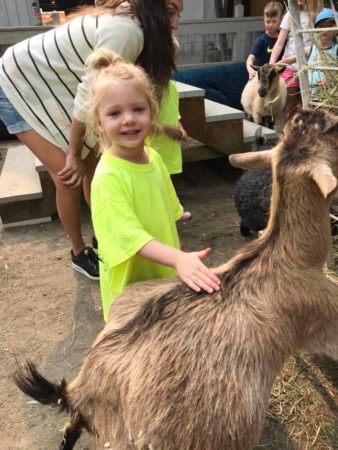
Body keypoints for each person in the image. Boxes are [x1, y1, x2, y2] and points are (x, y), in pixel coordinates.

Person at [0, 0, 181, 280]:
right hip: (16, 84)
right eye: (170, 12)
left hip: (55, 84)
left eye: (178, 13)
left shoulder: (134, 25)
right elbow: (86, 97)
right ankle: (79, 252)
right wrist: (73, 152)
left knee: (95, 166)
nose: (175, 24)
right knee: (67, 175)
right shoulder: (128, 32)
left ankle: (104, 237)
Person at [86, 49, 221, 320]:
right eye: (115, 113)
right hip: (131, 297)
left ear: (152, 111)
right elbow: (130, 239)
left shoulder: (155, 158)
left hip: (163, 281)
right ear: (99, 124)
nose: (129, 119)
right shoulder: (108, 176)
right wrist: (178, 259)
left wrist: (178, 258)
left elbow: (169, 218)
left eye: (138, 108)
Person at [147, 37, 191, 220]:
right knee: (154, 181)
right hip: (155, 145)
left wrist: (180, 127)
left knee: (167, 180)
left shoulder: (171, 86)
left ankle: (173, 211)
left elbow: (174, 112)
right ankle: (162, 215)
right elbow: (143, 125)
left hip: (169, 144)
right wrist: (166, 129)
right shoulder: (150, 90)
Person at [278, 8, 338, 100]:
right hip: (311, 98)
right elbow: (288, 60)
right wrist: (273, 66)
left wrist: (330, 80)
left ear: (335, 30)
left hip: (330, 98)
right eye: (321, 26)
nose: (325, 30)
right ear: (316, 30)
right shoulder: (310, 50)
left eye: (329, 26)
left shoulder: (336, 50)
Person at [269, 0, 311, 118]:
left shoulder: (314, 14)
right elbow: (279, 43)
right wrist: (271, 64)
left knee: (305, 106)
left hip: (308, 67)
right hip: (290, 68)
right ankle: (288, 134)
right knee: (290, 106)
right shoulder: (289, 15)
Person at [246, 1, 284, 80]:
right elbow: (250, 59)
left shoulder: (282, 39)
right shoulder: (260, 40)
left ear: (280, 19)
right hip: (259, 77)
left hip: (275, 77)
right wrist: (250, 70)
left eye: (274, 21)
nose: (270, 24)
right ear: (264, 19)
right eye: (268, 21)